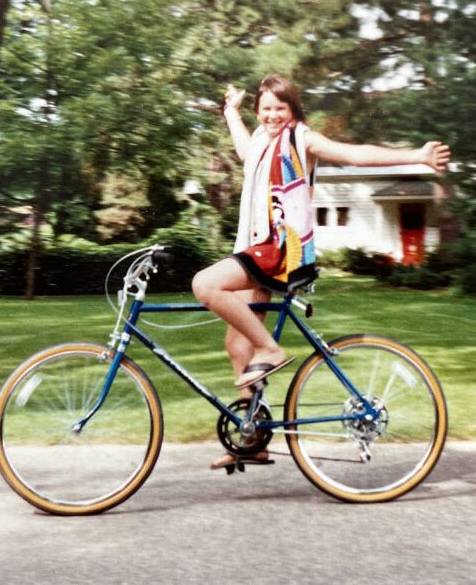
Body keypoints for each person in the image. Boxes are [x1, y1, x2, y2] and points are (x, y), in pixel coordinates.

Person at [190, 74, 450, 468]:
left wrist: (416, 155)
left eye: (280, 108)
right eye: (265, 109)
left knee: (205, 285)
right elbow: (244, 149)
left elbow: (354, 155)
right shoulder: (262, 140)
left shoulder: (301, 139)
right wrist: (231, 111)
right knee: (236, 346)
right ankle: (253, 439)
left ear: (293, 110)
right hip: (254, 248)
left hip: (278, 250)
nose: (272, 115)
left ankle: (271, 349)